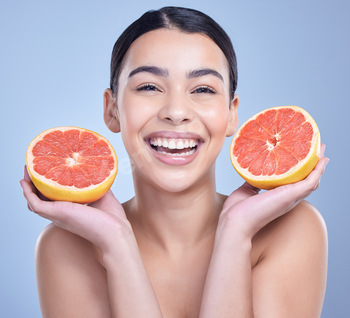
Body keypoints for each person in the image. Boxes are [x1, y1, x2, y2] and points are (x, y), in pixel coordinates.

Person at [20, 6, 329, 318]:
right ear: (111, 109)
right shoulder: (68, 246)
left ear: (231, 113)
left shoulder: (293, 229)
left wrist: (235, 234)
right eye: (149, 87)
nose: (177, 111)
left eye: (204, 89)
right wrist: (117, 244)